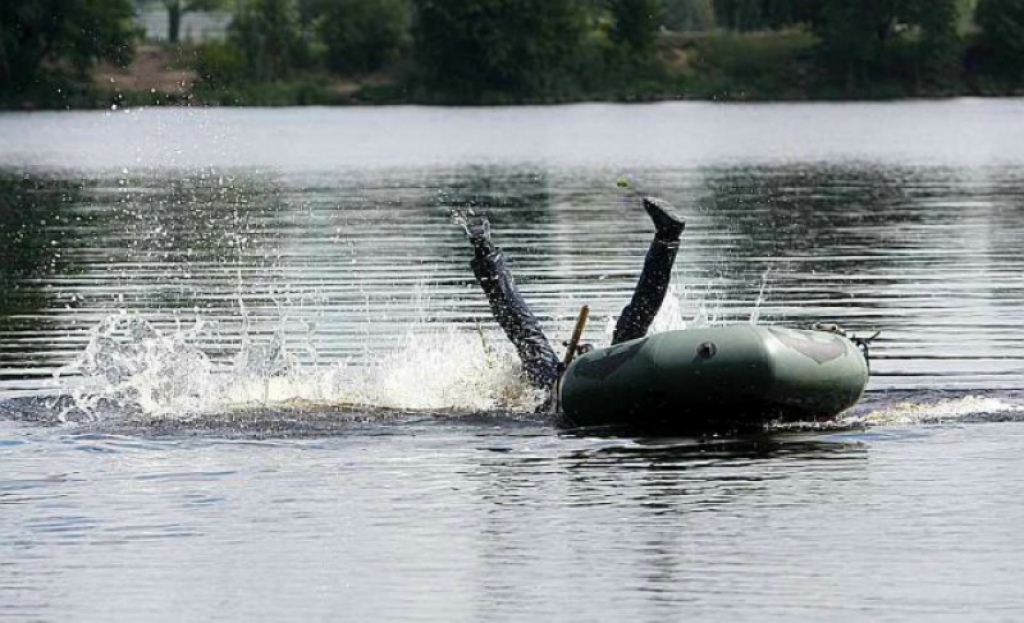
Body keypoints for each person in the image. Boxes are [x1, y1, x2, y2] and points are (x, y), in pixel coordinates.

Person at [454, 196, 685, 392]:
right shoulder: (602, 381)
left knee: (527, 334)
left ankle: (484, 249)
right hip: (589, 381)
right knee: (633, 326)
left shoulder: (549, 389)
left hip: (570, 384)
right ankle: (667, 239)